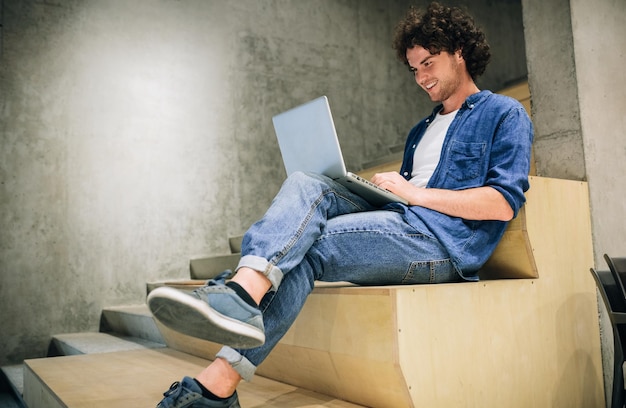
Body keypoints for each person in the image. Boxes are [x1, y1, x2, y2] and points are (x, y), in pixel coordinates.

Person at [148, 2, 533, 407]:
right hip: (401, 220)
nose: (421, 77)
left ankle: (216, 384)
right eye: (414, 69)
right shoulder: (422, 129)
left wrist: (413, 193)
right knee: (306, 181)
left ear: (459, 52)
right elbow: (406, 197)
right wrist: (389, 192)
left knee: (309, 246)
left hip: (441, 246)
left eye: (428, 64)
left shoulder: (503, 113)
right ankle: (242, 294)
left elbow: (502, 203)